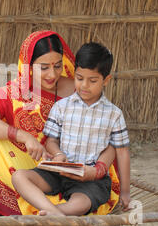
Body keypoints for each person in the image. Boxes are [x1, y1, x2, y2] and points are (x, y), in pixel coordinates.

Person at [0, 31, 120, 216]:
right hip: (39, 166)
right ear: (29, 66)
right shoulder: (15, 91)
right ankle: (47, 210)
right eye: (44, 68)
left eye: (58, 66)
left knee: (83, 196)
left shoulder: (79, 88)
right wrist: (24, 136)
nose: (52, 74)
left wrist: (94, 169)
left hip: (80, 168)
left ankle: (50, 211)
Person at [12, 42, 131, 216]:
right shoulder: (61, 107)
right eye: (79, 78)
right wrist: (59, 155)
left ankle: (54, 213)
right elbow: (51, 141)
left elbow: (122, 153)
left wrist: (126, 192)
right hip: (59, 172)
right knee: (19, 177)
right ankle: (56, 213)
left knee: (82, 202)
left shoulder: (114, 114)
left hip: (91, 178)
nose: (84, 85)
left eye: (92, 80)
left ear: (106, 80)